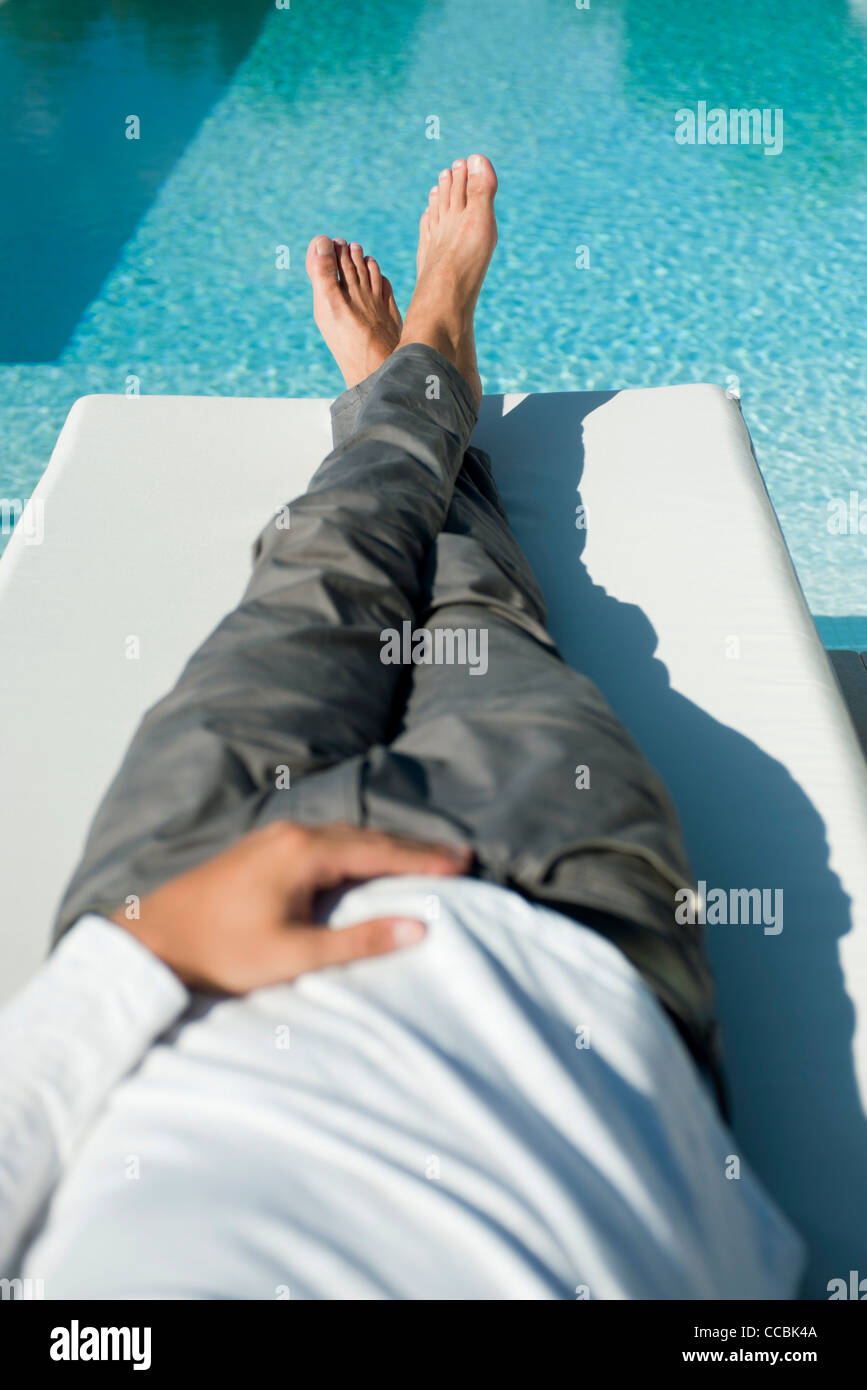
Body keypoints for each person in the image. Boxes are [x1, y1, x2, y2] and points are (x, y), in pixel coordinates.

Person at [0, 155, 804, 1299]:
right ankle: (414, 376)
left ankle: (411, 379)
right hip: (539, 911)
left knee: (320, 566)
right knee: (481, 615)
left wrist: (141, 954)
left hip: (184, 908)